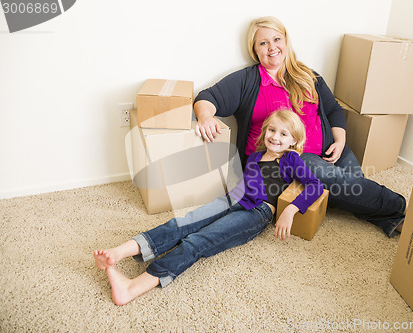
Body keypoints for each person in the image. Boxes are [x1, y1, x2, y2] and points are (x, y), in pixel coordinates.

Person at [194, 16, 407, 238]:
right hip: (287, 159)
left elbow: (333, 109)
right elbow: (207, 97)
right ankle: (405, 206)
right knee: (343, 184)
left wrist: (340, 141)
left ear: (286, 41)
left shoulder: (307, 75)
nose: (272, 47)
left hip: (327, 149)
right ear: (254, 50)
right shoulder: (247, 80)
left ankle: (392, 219)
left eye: (277, 39)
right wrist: (205, 116)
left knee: (354, 186)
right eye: (263, 43)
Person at [94, 110, 323, 306]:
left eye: (284, 134)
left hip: (256, 213)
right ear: (265, 132)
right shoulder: (254, 157)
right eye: (272, 130)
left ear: (293, 141)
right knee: (181, 223)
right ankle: (119, 252)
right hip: (231, 199)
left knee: (198, 240)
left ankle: (132, 287)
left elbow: (315, 186)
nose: (275, 137)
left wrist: (290, 210)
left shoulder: (292, 160)